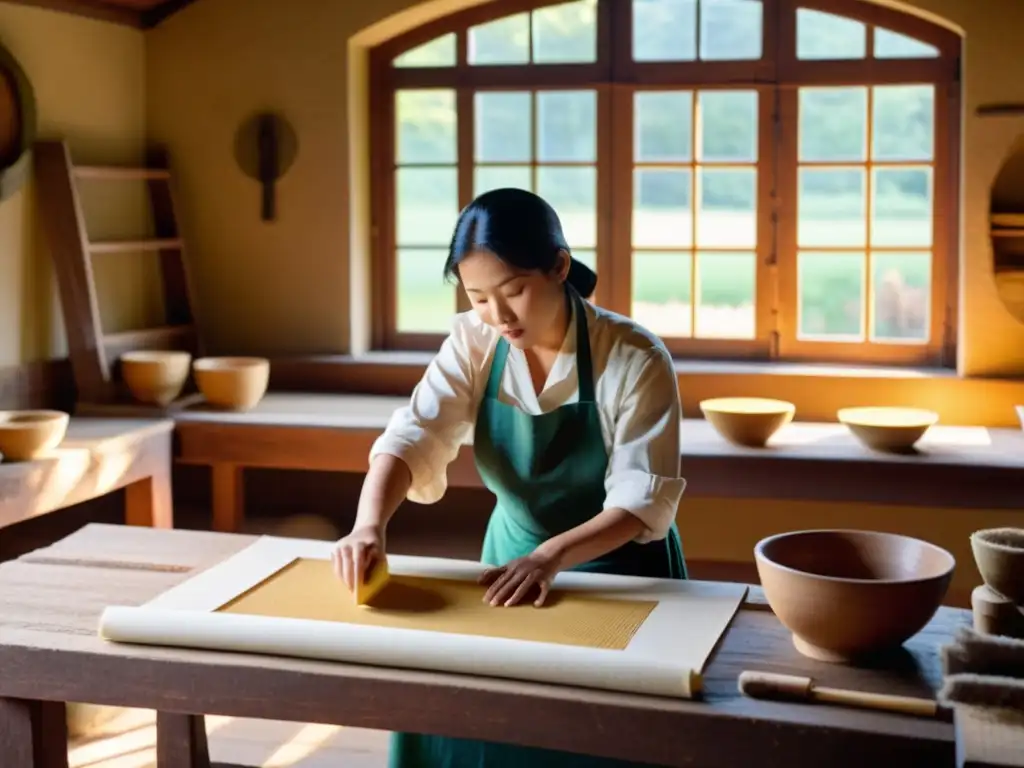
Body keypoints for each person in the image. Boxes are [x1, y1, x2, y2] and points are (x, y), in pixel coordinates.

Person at [331, 187, 687, 767]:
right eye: (478, 298)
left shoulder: (633, 357)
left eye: (514, 291)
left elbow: (640, 501)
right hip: (509, 566)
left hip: (621, 571)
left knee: (602, 736)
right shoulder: (475, 341)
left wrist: (551, 558)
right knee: (464, 715)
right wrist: (367, 524)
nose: (499, 315)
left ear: (560, 267)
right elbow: (414, 433)